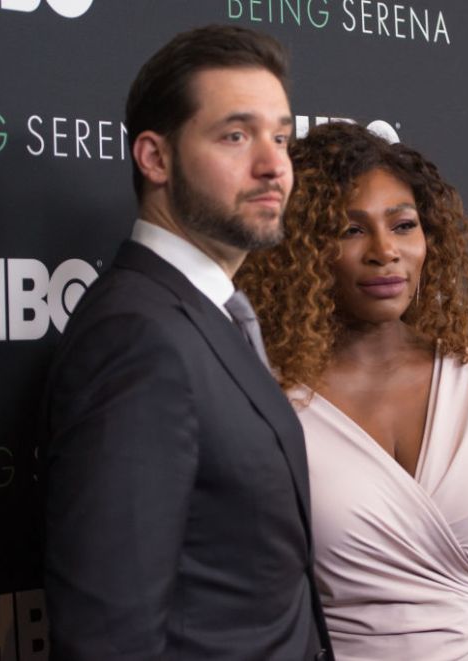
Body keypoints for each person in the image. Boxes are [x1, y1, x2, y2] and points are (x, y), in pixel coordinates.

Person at [41, 25, 331, 660]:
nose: (273, 164)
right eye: (235, 135)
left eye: (281, 137)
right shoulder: (135, 336)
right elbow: (107, 637)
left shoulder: (207, 314)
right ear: (155, 158)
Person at [237, 121, 468, 660]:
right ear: (302, 249)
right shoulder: (268, 401)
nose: (385, 251)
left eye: (403, 225)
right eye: (350, 230)